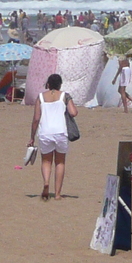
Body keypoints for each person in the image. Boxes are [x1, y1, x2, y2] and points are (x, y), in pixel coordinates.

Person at [28, 72, 77, 200]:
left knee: (46, 161)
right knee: (60, 162)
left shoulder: (40, 97)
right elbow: (73, 112)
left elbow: (36, 118)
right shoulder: (65, 96)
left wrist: (32, 136)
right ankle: (57, 194)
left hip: (45, 132)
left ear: (48, 84)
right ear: (60, 84)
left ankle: (46, 183)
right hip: (60, 131)